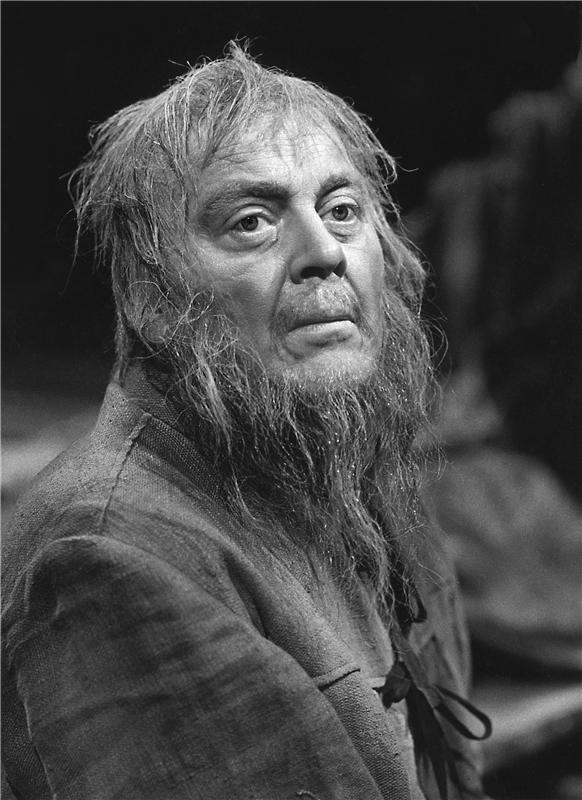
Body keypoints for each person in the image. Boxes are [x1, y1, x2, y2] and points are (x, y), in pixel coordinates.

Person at [2, 44, 490, 800]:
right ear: (152, 297)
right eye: (253, 222)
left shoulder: (350, 462)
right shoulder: (104, 559)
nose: (323, 252)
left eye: (342, 210)